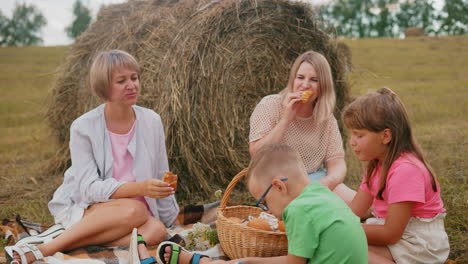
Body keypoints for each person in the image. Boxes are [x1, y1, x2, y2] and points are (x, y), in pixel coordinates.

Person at [5, 50, 179, 264]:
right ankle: (46, 248)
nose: (131, 85)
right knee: (135, 209)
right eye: (121, 81)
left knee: (156, 230)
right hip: (94, 205)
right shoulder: (83, 127)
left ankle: (75, 240)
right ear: (104, 88)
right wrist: (141, 188)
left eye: (134, 78)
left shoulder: (152, 120)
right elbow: (88, 189)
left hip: (138, 213)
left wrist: (167, 209)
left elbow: (162, 171)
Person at [144, 144, 368, 264]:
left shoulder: (298, 209)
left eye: (264, 201)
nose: (266, 210)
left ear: (279, 186)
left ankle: (200, 262)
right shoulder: (321, 193)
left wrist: (250, 260)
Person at [342, 87, 450, 264]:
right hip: (396, 235)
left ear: (385, 136)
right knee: (335, 246)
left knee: (344, 251)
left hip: (418, 244)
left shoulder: (406, 171)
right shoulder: (376, 165)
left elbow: (390, 234)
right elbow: (356, 211)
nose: (352, 142)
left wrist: (344, 230)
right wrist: (328, 221)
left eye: (359, 135)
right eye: (352, 134)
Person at [248, 50, 354, 203]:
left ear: (323, 86)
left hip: (316, 180)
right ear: (293, 79)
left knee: (359, 206)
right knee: (316, 210)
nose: (305, 85)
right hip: (278, 183)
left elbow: (337, 163)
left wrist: (328, 182)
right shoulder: (269, 105)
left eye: (314, 80)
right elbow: (257, 155)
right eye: (300, 77)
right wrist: (285, 120)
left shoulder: (326, 119)